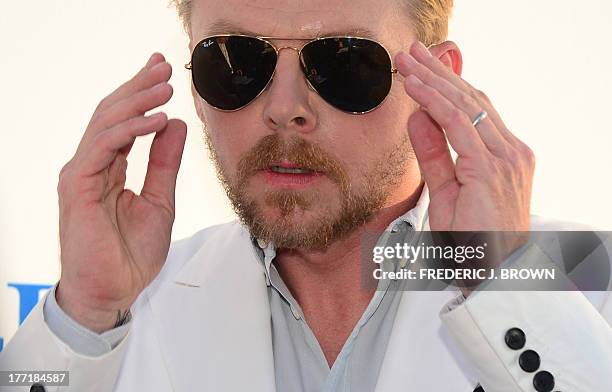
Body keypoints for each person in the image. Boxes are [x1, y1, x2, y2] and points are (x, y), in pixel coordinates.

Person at [1, 0, 611, 391]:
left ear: (439, 82)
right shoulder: (130, 301)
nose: (284, 110)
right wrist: (81, 315)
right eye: (233, 62)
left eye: (344, 62)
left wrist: (498, 282)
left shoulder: (586, 282)